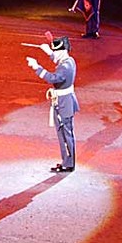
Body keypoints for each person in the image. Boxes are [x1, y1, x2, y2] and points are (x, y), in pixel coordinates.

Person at [26, 36, 79, 173]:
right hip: (64, 100)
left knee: (65, 134)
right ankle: (67, 161)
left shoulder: (65, 66)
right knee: (64, 133)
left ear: (62, 51)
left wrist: (37, 67)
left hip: (63, 103)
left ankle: (68, 163)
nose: (54, 55)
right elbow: (58, 59)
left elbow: (53, 78)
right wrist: (48, 52)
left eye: (56, 52)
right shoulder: (69, 60)